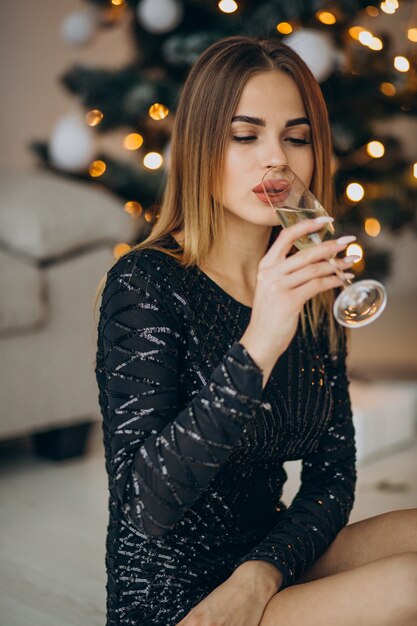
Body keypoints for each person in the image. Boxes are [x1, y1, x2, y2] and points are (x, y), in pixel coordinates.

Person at [94, 35, 417, 626]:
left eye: (296, 138)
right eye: (246, 135)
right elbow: (145, 506)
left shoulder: (312, 289)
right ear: (198, 147)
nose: (278, 159)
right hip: (174, 600)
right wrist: (260, 341)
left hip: (261, 565)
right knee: (408, 586)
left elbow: (333, 477)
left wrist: (260, 573)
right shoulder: (145, 284)